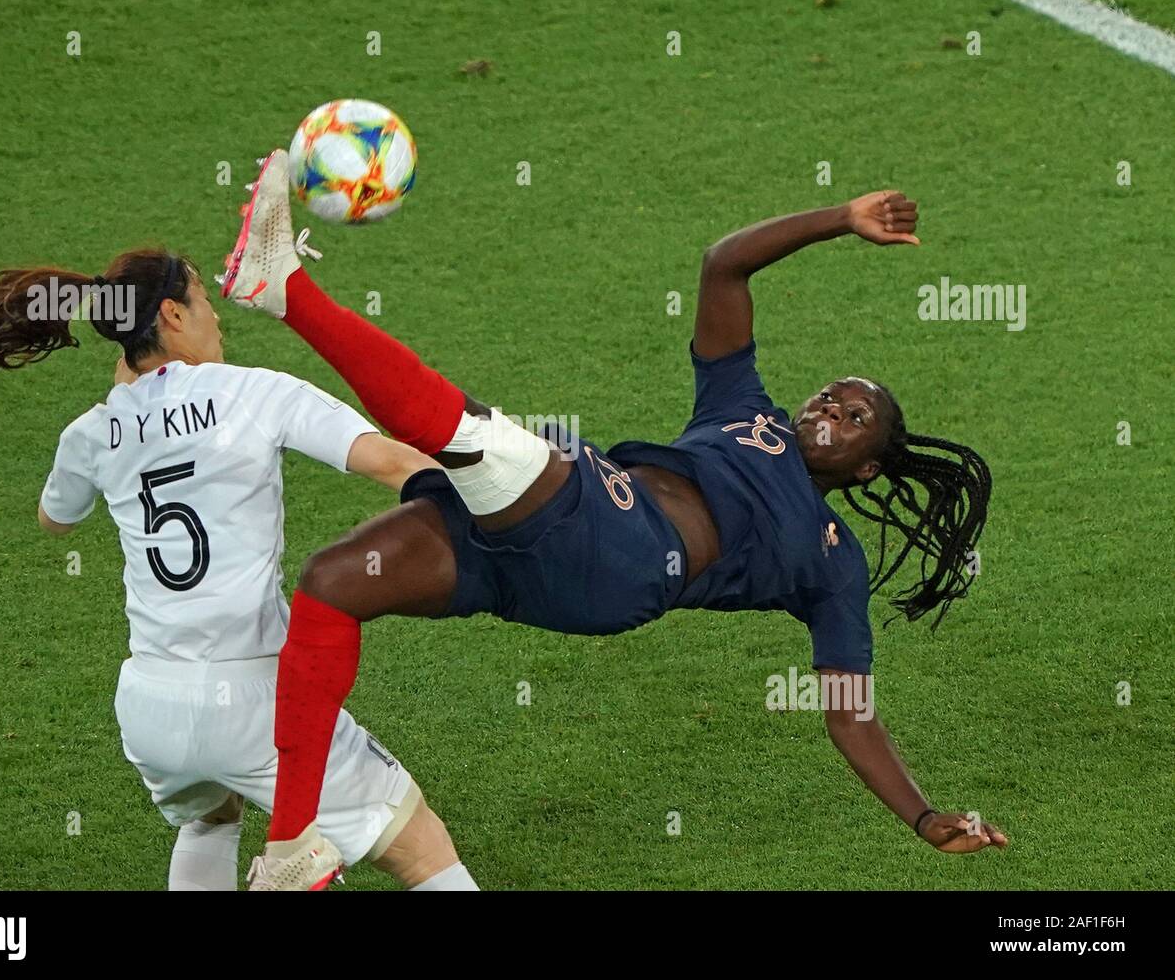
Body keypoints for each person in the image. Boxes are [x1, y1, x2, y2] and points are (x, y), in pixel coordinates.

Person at [221, 152, 1007, 889]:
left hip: (622, 558)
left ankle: (282, 288)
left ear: (869, 465)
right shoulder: (743, 407)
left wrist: (924, 815)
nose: (831, 407)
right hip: (555, 537)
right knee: (332, 585)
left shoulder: (834, 562)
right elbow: (723, 265)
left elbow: (851, 714)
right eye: (830, 394)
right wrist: (840, 217)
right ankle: (291, 849)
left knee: (481, 441)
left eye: (856, 413)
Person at [0, 249, 478, 891]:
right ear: (172, 314)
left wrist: (129, 409)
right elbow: (396, 464)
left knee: (209, 819)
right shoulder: (255, 392)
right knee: (420, 847)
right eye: (204, 301)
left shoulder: (90, 432)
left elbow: (54, 519)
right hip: (253, 699)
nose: (217, 321)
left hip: (152, 707)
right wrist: (502, 495)